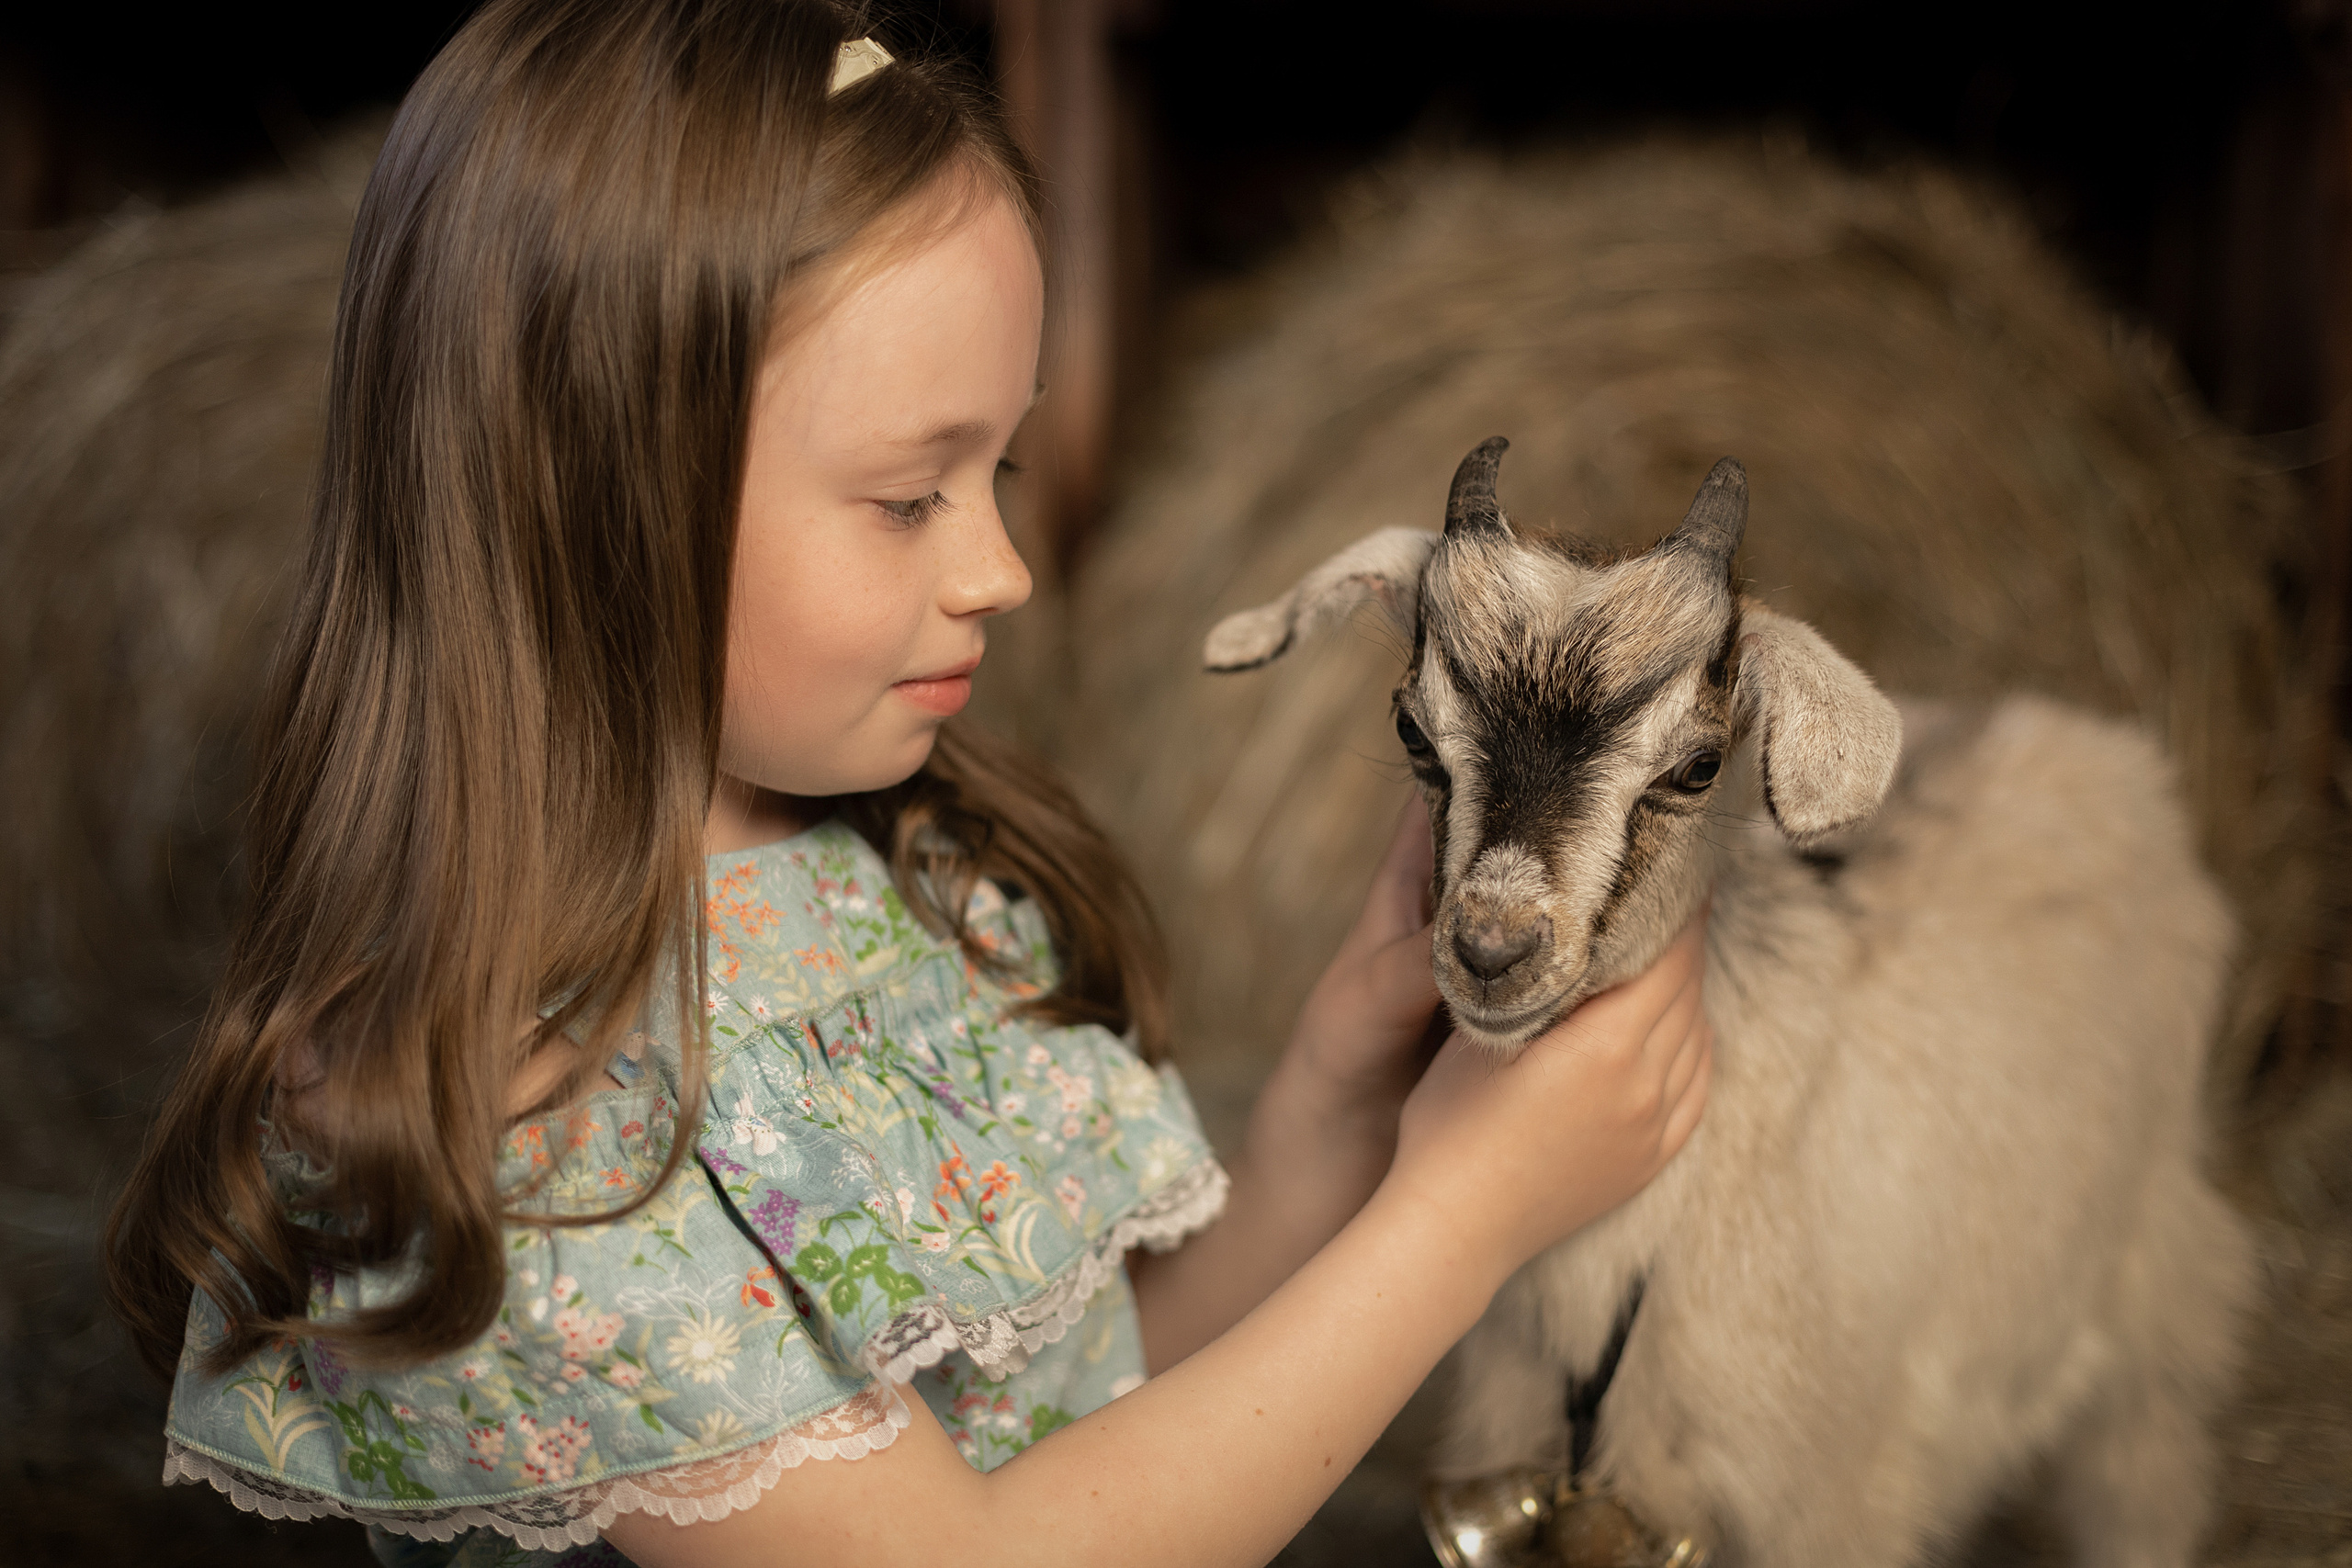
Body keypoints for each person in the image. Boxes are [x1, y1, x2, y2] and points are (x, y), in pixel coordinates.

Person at [105, 4, 1713, 1564]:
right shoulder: (510, 1106)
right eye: (904, 496)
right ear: (585, 501)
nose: (1005, 569)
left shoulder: (916, 876)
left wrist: (1336, 1103)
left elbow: (1088, 1406)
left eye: (996, 470)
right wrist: (1465, 1220)